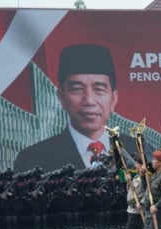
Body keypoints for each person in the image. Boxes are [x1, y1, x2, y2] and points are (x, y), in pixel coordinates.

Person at [13, 44, 144, 173]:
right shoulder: (33, 159)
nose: (89, 100)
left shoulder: (140, 152)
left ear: (114, 99)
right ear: (62, 98)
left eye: (99, 89)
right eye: (77, 89)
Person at [125, 154, 147, 229]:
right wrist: (128, 182)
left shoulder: (145, 177)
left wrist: (142, 203)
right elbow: (131, 191)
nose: (135, 165)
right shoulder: (136, 177)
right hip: (131, 209)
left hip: (138, 210)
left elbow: (148, 192)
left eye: (137, 163)